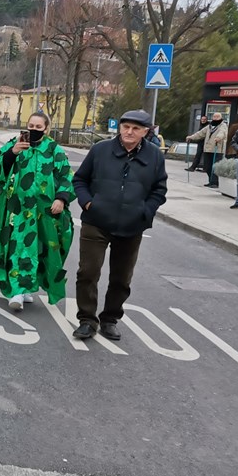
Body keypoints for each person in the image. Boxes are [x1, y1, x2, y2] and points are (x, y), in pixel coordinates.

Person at [72, 109, 167, 342]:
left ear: (145, 131)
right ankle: (87, 320)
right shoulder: (100, 150)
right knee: (88, 272)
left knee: (121, 278)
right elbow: (80, 179)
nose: (129, 132)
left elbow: (159, 189)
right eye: (125, 127)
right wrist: (88, 203)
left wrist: (145, 211)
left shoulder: (155, 156)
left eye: (135, 128)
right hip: (96, 222)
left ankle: (110, 319)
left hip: (132, 226)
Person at [0, 111, 75, 311]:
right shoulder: (15, 144)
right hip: (16, 209)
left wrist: (61, 198)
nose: (33, 130)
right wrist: (13, 153)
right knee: (17, 245)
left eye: (38, 127)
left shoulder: (54, 149)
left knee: (41, 248)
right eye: (31, 126)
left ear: (46, 129)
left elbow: (66, 175)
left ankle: (27, 286)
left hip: (44, 211)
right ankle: (17, 290)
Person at [187, 112, 227, 187]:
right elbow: (200, 133)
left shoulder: (223, 125)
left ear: (221, 118)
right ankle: (210, 181)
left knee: (215, 167)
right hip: (208, 149)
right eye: (214, 116)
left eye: (217, 117)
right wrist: (191, 137)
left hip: (217, 149)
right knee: (207, 166)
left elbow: (222, 132)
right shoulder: (209, 126)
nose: (216, 118)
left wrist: (218, 137)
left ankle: (215, 182)